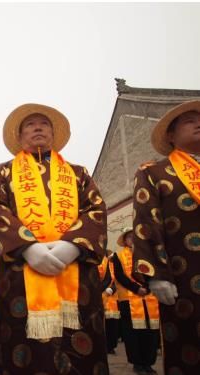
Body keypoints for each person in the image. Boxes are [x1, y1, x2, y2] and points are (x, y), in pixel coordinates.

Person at [0, 103, 109, 374]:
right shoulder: (2, 173)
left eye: (44, 123)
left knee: (79, 347)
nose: (38, 127)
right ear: (19, 137)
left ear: (53, 134)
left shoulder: (78, 173)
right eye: (30, 124)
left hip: (76, 270)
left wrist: (71, 246)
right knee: (21, 344)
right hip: (19, 271)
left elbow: (96, 210)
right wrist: (28, 248)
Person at [132, 101, 200, 375]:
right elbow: (147, 223)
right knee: (189, 349)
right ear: (170, 135)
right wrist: (156, 273)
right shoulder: (154, 171)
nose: (198, 123)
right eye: (189, 120)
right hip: (184, 275)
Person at [112, 228, 159, 374]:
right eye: (129, 237)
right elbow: (120, 276)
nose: (132, 240)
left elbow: (152, 273)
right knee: (132, 333)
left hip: (149, 298)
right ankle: (137, 363)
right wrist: (136, 289)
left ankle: (148, 362)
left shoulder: (147, 255)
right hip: (128, 298)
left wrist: (146, 287)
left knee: (150, 332)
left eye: (135, 237)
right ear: (125, 240)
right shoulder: (118, 256)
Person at [97, 250, 120, 355]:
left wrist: (112, 288)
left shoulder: (113, 264)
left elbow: (118, 278)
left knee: (112, 324)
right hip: (99, 296)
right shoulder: (97, 262)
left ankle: (111, 346)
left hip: (112, 298)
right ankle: (101, 345)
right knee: (100, 323)